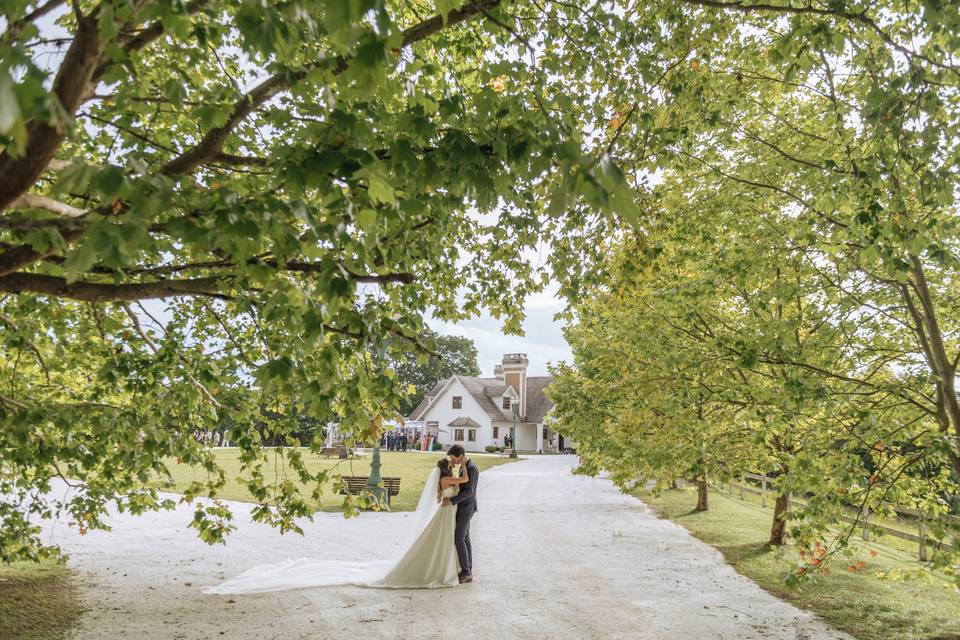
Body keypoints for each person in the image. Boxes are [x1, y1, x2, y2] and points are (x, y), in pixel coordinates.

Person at [204, 456, 471, 593]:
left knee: (443, 543)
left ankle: (449, 568)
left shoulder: (441, 481)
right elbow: (462, 481)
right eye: (450, 465)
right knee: (440, 543)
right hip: (444, 514)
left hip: (443, 513)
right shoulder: (448, 480)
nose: (452, 466)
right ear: (445, 470)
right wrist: (464, 467)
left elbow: (449, 490)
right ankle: (443, 570)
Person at [441, 444, 479, 584]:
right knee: (465, 537)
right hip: (463, 506)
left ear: (461, 456)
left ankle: (466, 572)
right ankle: (467, 569)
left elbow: (470, 492)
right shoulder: (466, 467)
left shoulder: (471, 468)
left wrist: (451, 500)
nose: (454, 461)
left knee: (459, 538)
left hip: (467, 507)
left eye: (454, 458)